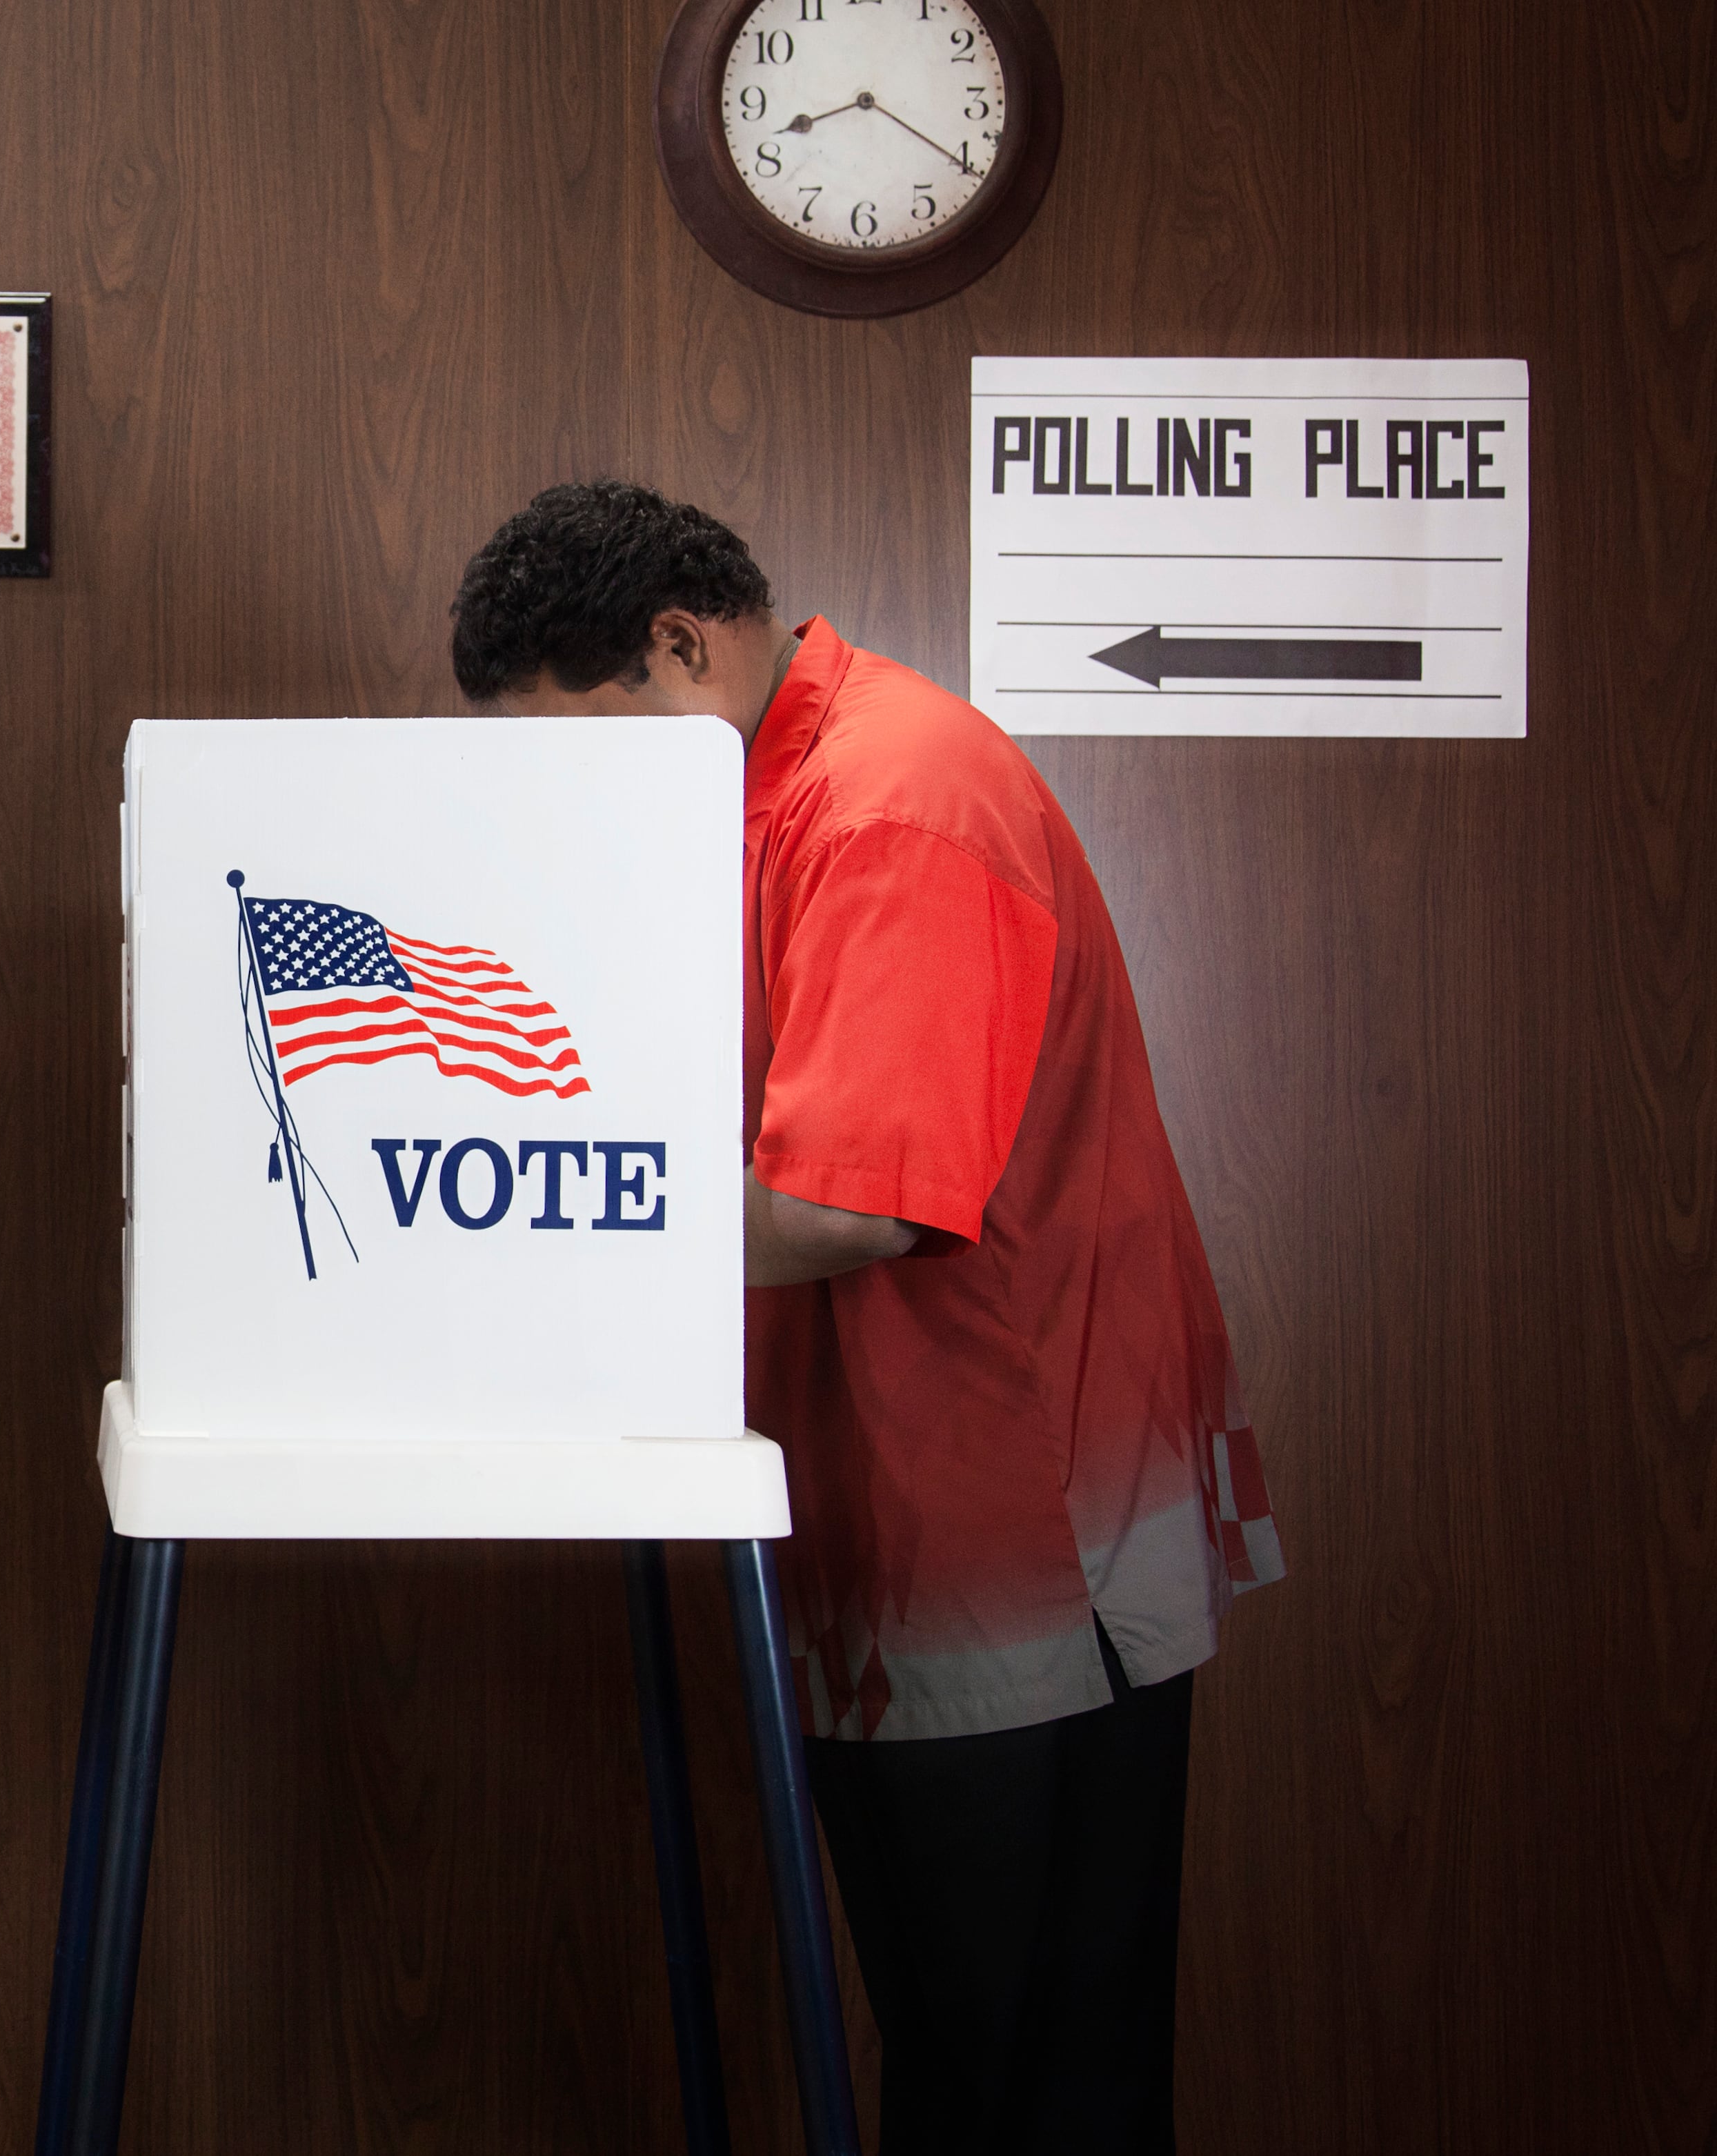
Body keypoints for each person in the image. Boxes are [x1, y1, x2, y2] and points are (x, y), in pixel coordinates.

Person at [450, 482, 1283, 2155]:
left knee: (1021, 2070)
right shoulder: (767, 793)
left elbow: (857, 1200)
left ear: (680, 646)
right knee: (963, 2038)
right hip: (899, 1502)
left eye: (577, 746)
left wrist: (526, 1216)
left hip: (1011, 1518)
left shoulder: (890, 800)